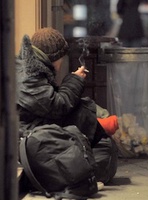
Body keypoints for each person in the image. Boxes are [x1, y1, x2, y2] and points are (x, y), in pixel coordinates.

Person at [16, 27, 119, 188]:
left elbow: (52, 103)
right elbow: (58, 106)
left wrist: (73, 81)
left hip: (35, 129)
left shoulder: (32, 69)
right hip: (30, 138)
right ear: (53, 58)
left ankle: (100, 127)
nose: (61, 63)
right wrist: (74, 80)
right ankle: (100, 128)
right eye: (61, 59)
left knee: (104, 147)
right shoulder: (28, 77)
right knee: (104, 151)